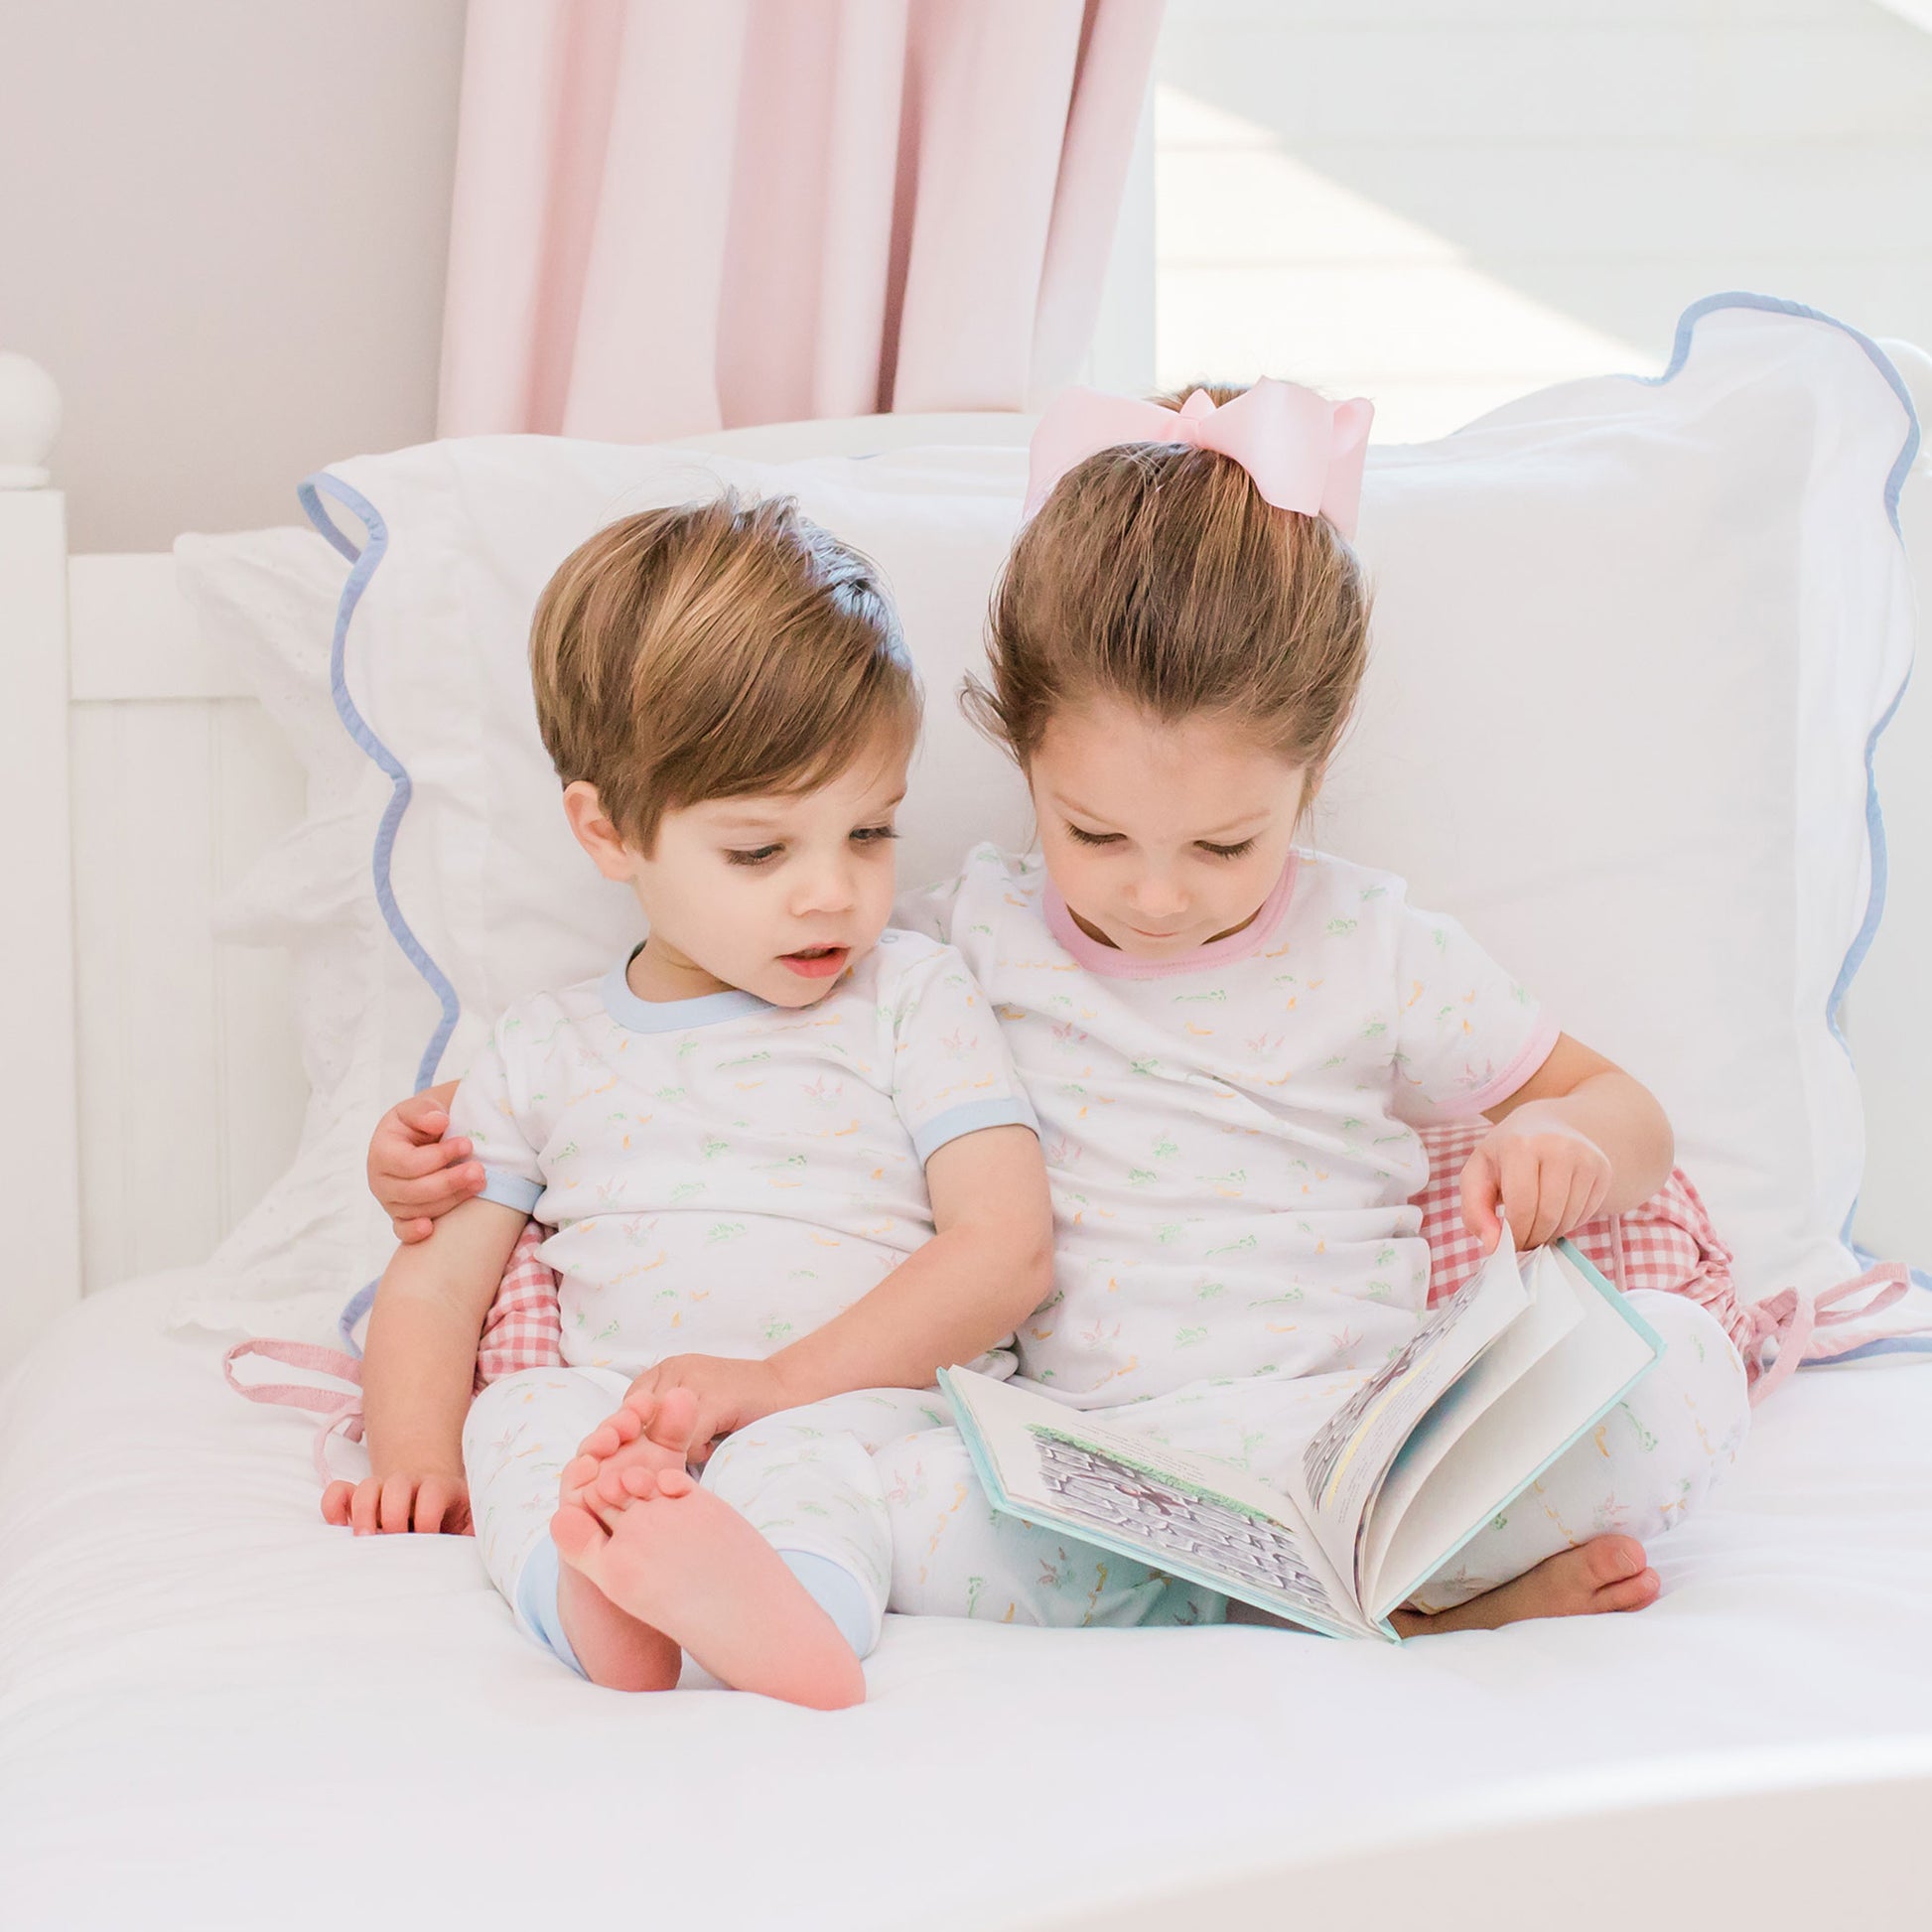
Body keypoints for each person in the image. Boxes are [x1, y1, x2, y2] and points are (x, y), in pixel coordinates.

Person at [372, 381, 1750, 1638]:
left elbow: (1626, 1109)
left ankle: (1393, 1579)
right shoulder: (949, 942)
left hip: (1365, 1425)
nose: (1155, 897)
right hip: (1093, 1466)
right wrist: (442, 1144)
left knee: (1679, 1372)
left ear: (1311, 773)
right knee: (883, 1501)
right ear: (1017, 749)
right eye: (1092, 834)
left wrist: (1567, 1141)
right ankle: (1421, 1613)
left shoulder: (1374, 944)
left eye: (1223, 846)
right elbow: (726, 1047)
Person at [329, 495, 1072, 1709]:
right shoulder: (536, 1049)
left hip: (847, 1400)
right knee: (520, 1415)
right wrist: (415, 1462)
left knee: (819, 1467)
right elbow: (437, 1281)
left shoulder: (914, 995)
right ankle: (591, 1604)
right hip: (624, 1423)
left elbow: (1005, 1250)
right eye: (759, 852)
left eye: (870, 829)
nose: (831, 893)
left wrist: (775, 1383)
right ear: (608, 831)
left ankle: (787, 1616)